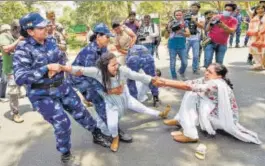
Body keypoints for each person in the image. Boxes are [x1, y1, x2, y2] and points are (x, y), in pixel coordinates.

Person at [13, 13, 111, 165]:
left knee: (82, 113)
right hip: (42, 95)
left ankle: (97, 135)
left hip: (62, 87)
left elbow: (61, 58)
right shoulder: (22, 50)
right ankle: (65, 154)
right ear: (30, 31)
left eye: (46, 25)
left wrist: (59, 66)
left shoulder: (51, 41)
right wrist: (45, 68)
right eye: (41, 27)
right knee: (62, 122)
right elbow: (20, 78)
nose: (46, 28)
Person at [62, 52, 170, 152]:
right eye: (113, 65)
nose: (117, 67)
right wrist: (62, 67)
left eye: (117, 63)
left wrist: (152, 79)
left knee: (143, 108)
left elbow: (137, 75)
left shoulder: (122, 70)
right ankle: (115, 138)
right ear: (105, 67)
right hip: (112, 104)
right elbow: (79, 69)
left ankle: (160, 114)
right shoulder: (97, 72)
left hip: (126, 98)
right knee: (112, 125)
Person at [154, 63, 261, 145]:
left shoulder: (215, 84)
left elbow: (188, 87)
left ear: (219, 76)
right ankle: (180, 120)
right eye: (206, 70)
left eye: (209, 72)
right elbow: (189, 83)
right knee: (192, 94)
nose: (206, 73)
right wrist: (163, 81)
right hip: (212, 111)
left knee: (192, 94)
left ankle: (191, 135)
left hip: (220, 118)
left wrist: (164, 82)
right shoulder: (208, 79)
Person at [0, 24, 24, 123]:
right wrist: (19, 40)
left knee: (29, 86)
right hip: (11, 69)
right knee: (14, 92)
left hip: (21, 68)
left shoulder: (16, 36)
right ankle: (15, 113)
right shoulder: (3, 36)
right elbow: (6, 49)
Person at [204, 3, 238, 68]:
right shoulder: (216, 17)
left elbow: (232, 31)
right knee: (208, 60)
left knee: (219, 64)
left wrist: (223, 26)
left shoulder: (234, 20)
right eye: (226, 9)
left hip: (222, 44)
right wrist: (210, 22)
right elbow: (207, 30)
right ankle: (208, 75)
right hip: (210, 42)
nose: (226, 11)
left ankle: (216, 76)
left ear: (233, 11)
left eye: (229, 10)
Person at [245, 2, 265, 71]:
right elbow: (247, 9)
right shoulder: (253, 16)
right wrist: (246, 2)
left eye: (261, 8)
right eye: (258, 9)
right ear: (256, 10)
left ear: (264, 9)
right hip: (255, 36)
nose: (260, 10)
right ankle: (258, 64)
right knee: (254, 49)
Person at [167, 9, 190, 80]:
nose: (178, 16)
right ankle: (174, 77)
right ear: (174, 16)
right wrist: (168, 28)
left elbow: (188, 34)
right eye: (177, 15)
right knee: (172, 63)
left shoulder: (184, 23)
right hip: (172, 45)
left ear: (182, 15)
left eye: (180, 15)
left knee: (185, 63)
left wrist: (181, 32)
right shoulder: (171, 23)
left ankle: (181, 72)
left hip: (182, 45)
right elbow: (165, 35)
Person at [185, 3, 205, 75]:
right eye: (192, 7)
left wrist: (194, 21)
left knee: (196, 55)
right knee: (184, 55)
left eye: (195, 7)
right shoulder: (186, 16)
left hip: (196, 39)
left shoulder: (201, 16)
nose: (193, 8)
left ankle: (195, 69)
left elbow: (202, 26)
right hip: (187, 39)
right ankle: (183, 68)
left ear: (198, 8)